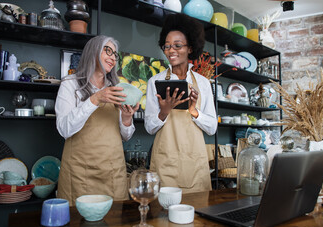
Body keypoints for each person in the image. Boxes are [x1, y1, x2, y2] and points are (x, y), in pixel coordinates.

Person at [55, 35, 139, 205]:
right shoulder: (70, 84)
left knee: (114, 226)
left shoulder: (117, 89)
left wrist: (127, 118)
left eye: (115, 54)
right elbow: (64, 129)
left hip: (112, 171)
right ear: (92, 52)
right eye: (107, 51)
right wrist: (95, 99)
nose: (113, 57)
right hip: (80, 172)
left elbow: (126, 136)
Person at [144, 13, 217, 194]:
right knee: (163, 216)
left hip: (195, 163)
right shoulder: (155, 81)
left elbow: (212, 128)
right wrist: (164, 112)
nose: (171, 51)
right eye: (167, 46)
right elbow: (149, 127)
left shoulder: (203, 83)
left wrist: (194, 111)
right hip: (165, 164)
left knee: (198, 215)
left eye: (177, 46)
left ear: (190, 48)